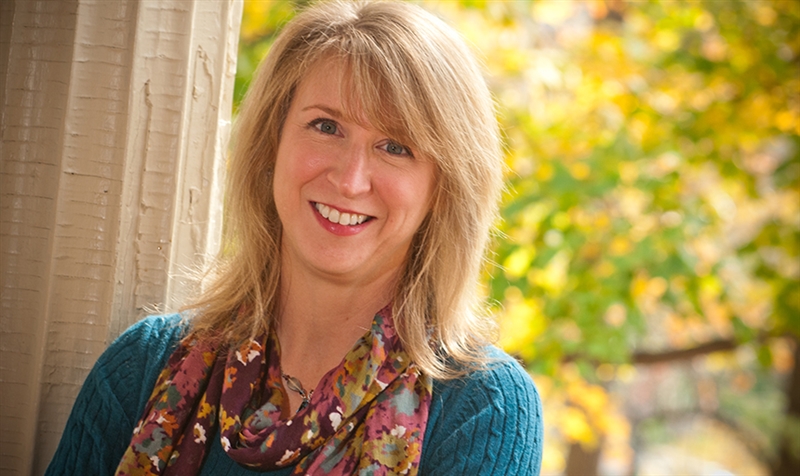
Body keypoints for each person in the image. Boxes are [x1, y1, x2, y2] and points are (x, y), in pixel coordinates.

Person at [45, 1, 543, 474]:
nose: (350, 180)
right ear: (271, 144)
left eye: (395, 146)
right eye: (326, 126)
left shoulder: (480, 410)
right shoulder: (141, 368)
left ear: (444, 189)